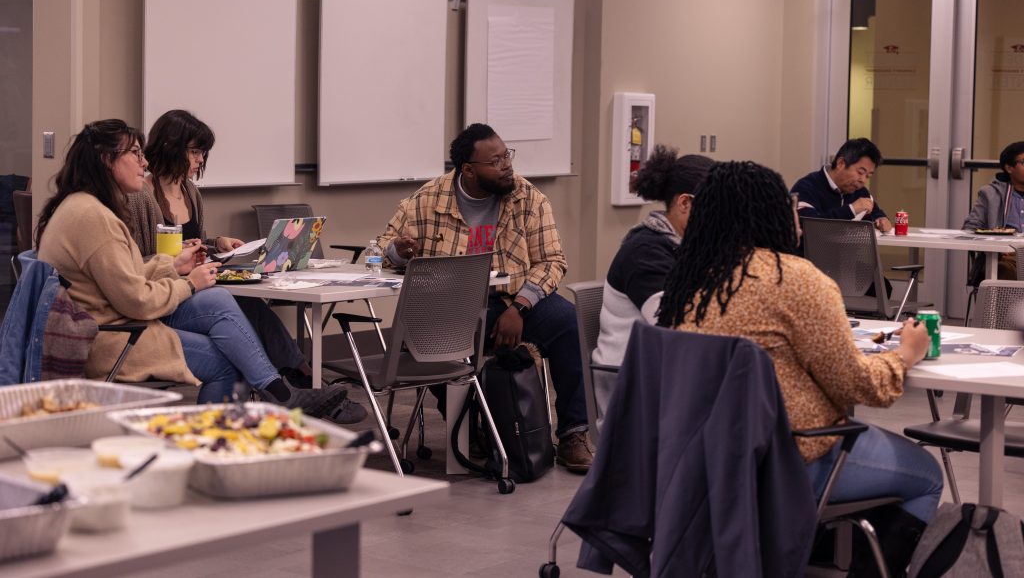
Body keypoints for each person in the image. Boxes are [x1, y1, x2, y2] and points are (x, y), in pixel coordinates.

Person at [657, 160, 941, 571]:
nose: (801, 221)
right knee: (926, 474)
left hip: (696, 461)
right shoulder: (796, 279)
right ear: (771, 215)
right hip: (782, 460)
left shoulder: (692, 279)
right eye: (793, 209)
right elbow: (860, 388)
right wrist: (907, 353)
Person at [35, 118, 349, 415]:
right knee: (229, 357)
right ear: (106, 159)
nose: (144, 163)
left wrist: (172, 265)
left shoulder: (86, 207)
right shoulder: (95, 217)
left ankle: (280, 392)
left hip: (120, 321)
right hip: (113, 335)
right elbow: (135, 299)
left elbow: (122, 275)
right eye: (135, 154)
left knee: (220, 299)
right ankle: (242, 421)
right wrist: (189, 283)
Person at [126, 110, 366, 424]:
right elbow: (136, 260)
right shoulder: (142, 196)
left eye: (203, 153)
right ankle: (293, 387)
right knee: (230, 316)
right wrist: (178, 264)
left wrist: (216, 243)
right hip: (167, 295)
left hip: (196, 287)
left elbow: (192, 243)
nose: (200, 160)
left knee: (251, 307)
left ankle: (300, 379)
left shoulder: (190, 193)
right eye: (195, 151)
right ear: (173, 147)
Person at [379, 123, 593, 473]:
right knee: (431, 342)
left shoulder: (528, 198)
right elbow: (385, 251)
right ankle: (472, 426)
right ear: (468, 170)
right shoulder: (426, 200)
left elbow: (553, 262)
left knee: (568, 323)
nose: (507, 165)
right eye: (496, 161)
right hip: (451, 306)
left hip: (517, 300)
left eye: (507, 155)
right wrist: (399, 251)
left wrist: (520, 307)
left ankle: (573, 435)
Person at [592, 147, 714, 422]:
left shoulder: (686, 247)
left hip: (665, 372)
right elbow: (675, 325)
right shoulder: (646, 252)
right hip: (634, 385)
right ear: (685, 203)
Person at [791, 137, 893, 232]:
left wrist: (882, 220)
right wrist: (851, 210)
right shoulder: (806, 187)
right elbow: (809, 226)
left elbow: (876, 213)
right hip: (809, 251)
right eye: (860, 172)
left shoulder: (860, 192)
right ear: (841, 163)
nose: (863, 180)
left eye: (868, 176)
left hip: (847, 251)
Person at [962, 140, 1024, 279]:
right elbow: (970, 228)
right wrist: (996, 247)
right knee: (1002, 270)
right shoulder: (990, 194)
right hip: (1005, 257)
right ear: (1009, 168)